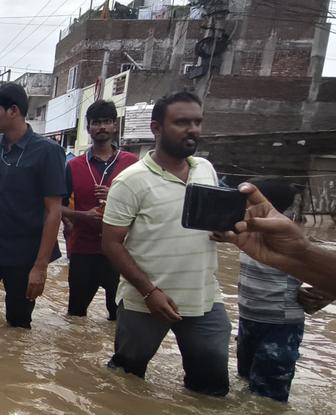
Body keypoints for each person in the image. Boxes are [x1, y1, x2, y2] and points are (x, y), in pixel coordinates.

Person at [101, 91, 230, 397]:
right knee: (125, 381)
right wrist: (149, 291)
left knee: (211, 390)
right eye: (182, 122)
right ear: (156, 128)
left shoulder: (205, 170)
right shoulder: (130, 181)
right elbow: (111, 244)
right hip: (145, 301)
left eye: (197, 122)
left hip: (204, 298)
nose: (193, 129)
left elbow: (212, 226)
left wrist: (224, 232)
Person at [0, 83, 65, 329]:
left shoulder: (48, 152)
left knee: (18, 321)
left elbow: (54, 211)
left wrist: (40, 266)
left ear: (13, 111)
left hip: (25, 252)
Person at [233, 178, 333, 402]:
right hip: (248, 318)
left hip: (281, 324)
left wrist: (324, 293)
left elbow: (314, 264)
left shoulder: (286, 237)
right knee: (245, 378)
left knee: (269, 393)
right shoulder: (242, 233)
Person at [61, 100, 139, 320]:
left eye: (107, 122)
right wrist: (81, 216)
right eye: (96, 123)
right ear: (88, 128)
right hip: (83, 250)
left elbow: (146, 207)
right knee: (75, 317)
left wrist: (114, 197)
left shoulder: (132, 163)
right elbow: (57, 207)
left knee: (120, 317)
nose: (102, 127)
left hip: (122, 251)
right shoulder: (74, 166)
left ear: (115, 125)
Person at [215, 183, 336, 294]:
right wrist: (299, 255)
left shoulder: (265, 238)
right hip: (251, 310)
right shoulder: (252, 239)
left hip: (281, 311)